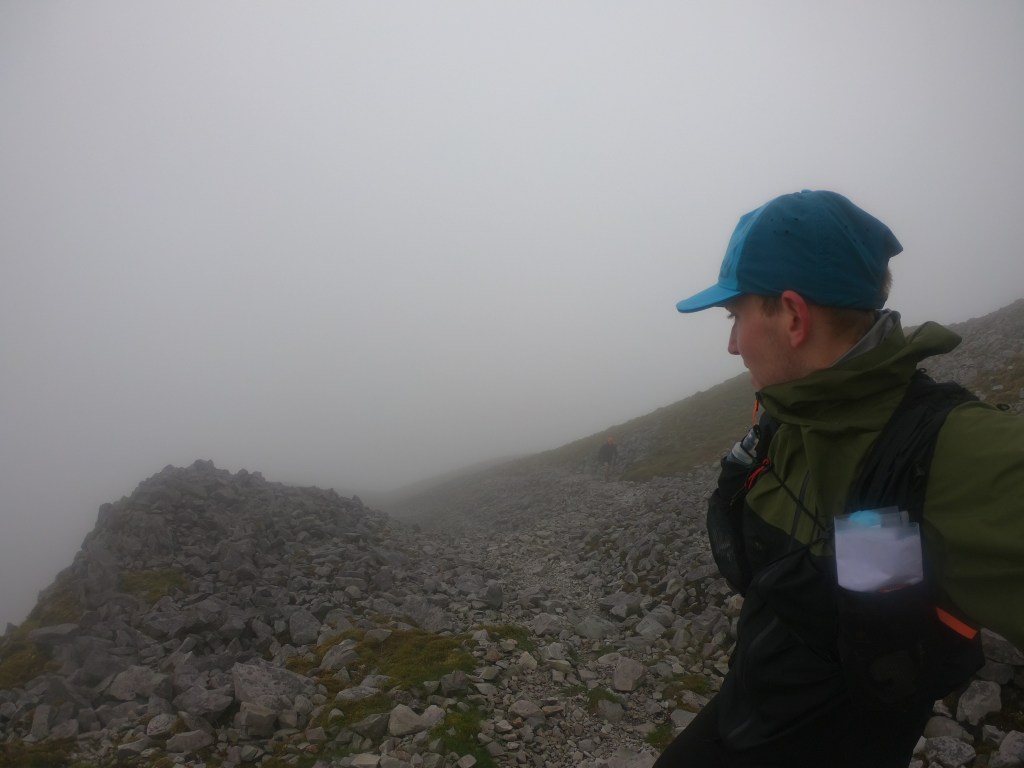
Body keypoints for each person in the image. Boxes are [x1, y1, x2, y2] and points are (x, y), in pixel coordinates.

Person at [655, 189, 1024, 767]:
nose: (731, 345)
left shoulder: (952, 453)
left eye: (735, 317)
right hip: (746, 712)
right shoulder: (790, 418)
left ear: (793, 316)